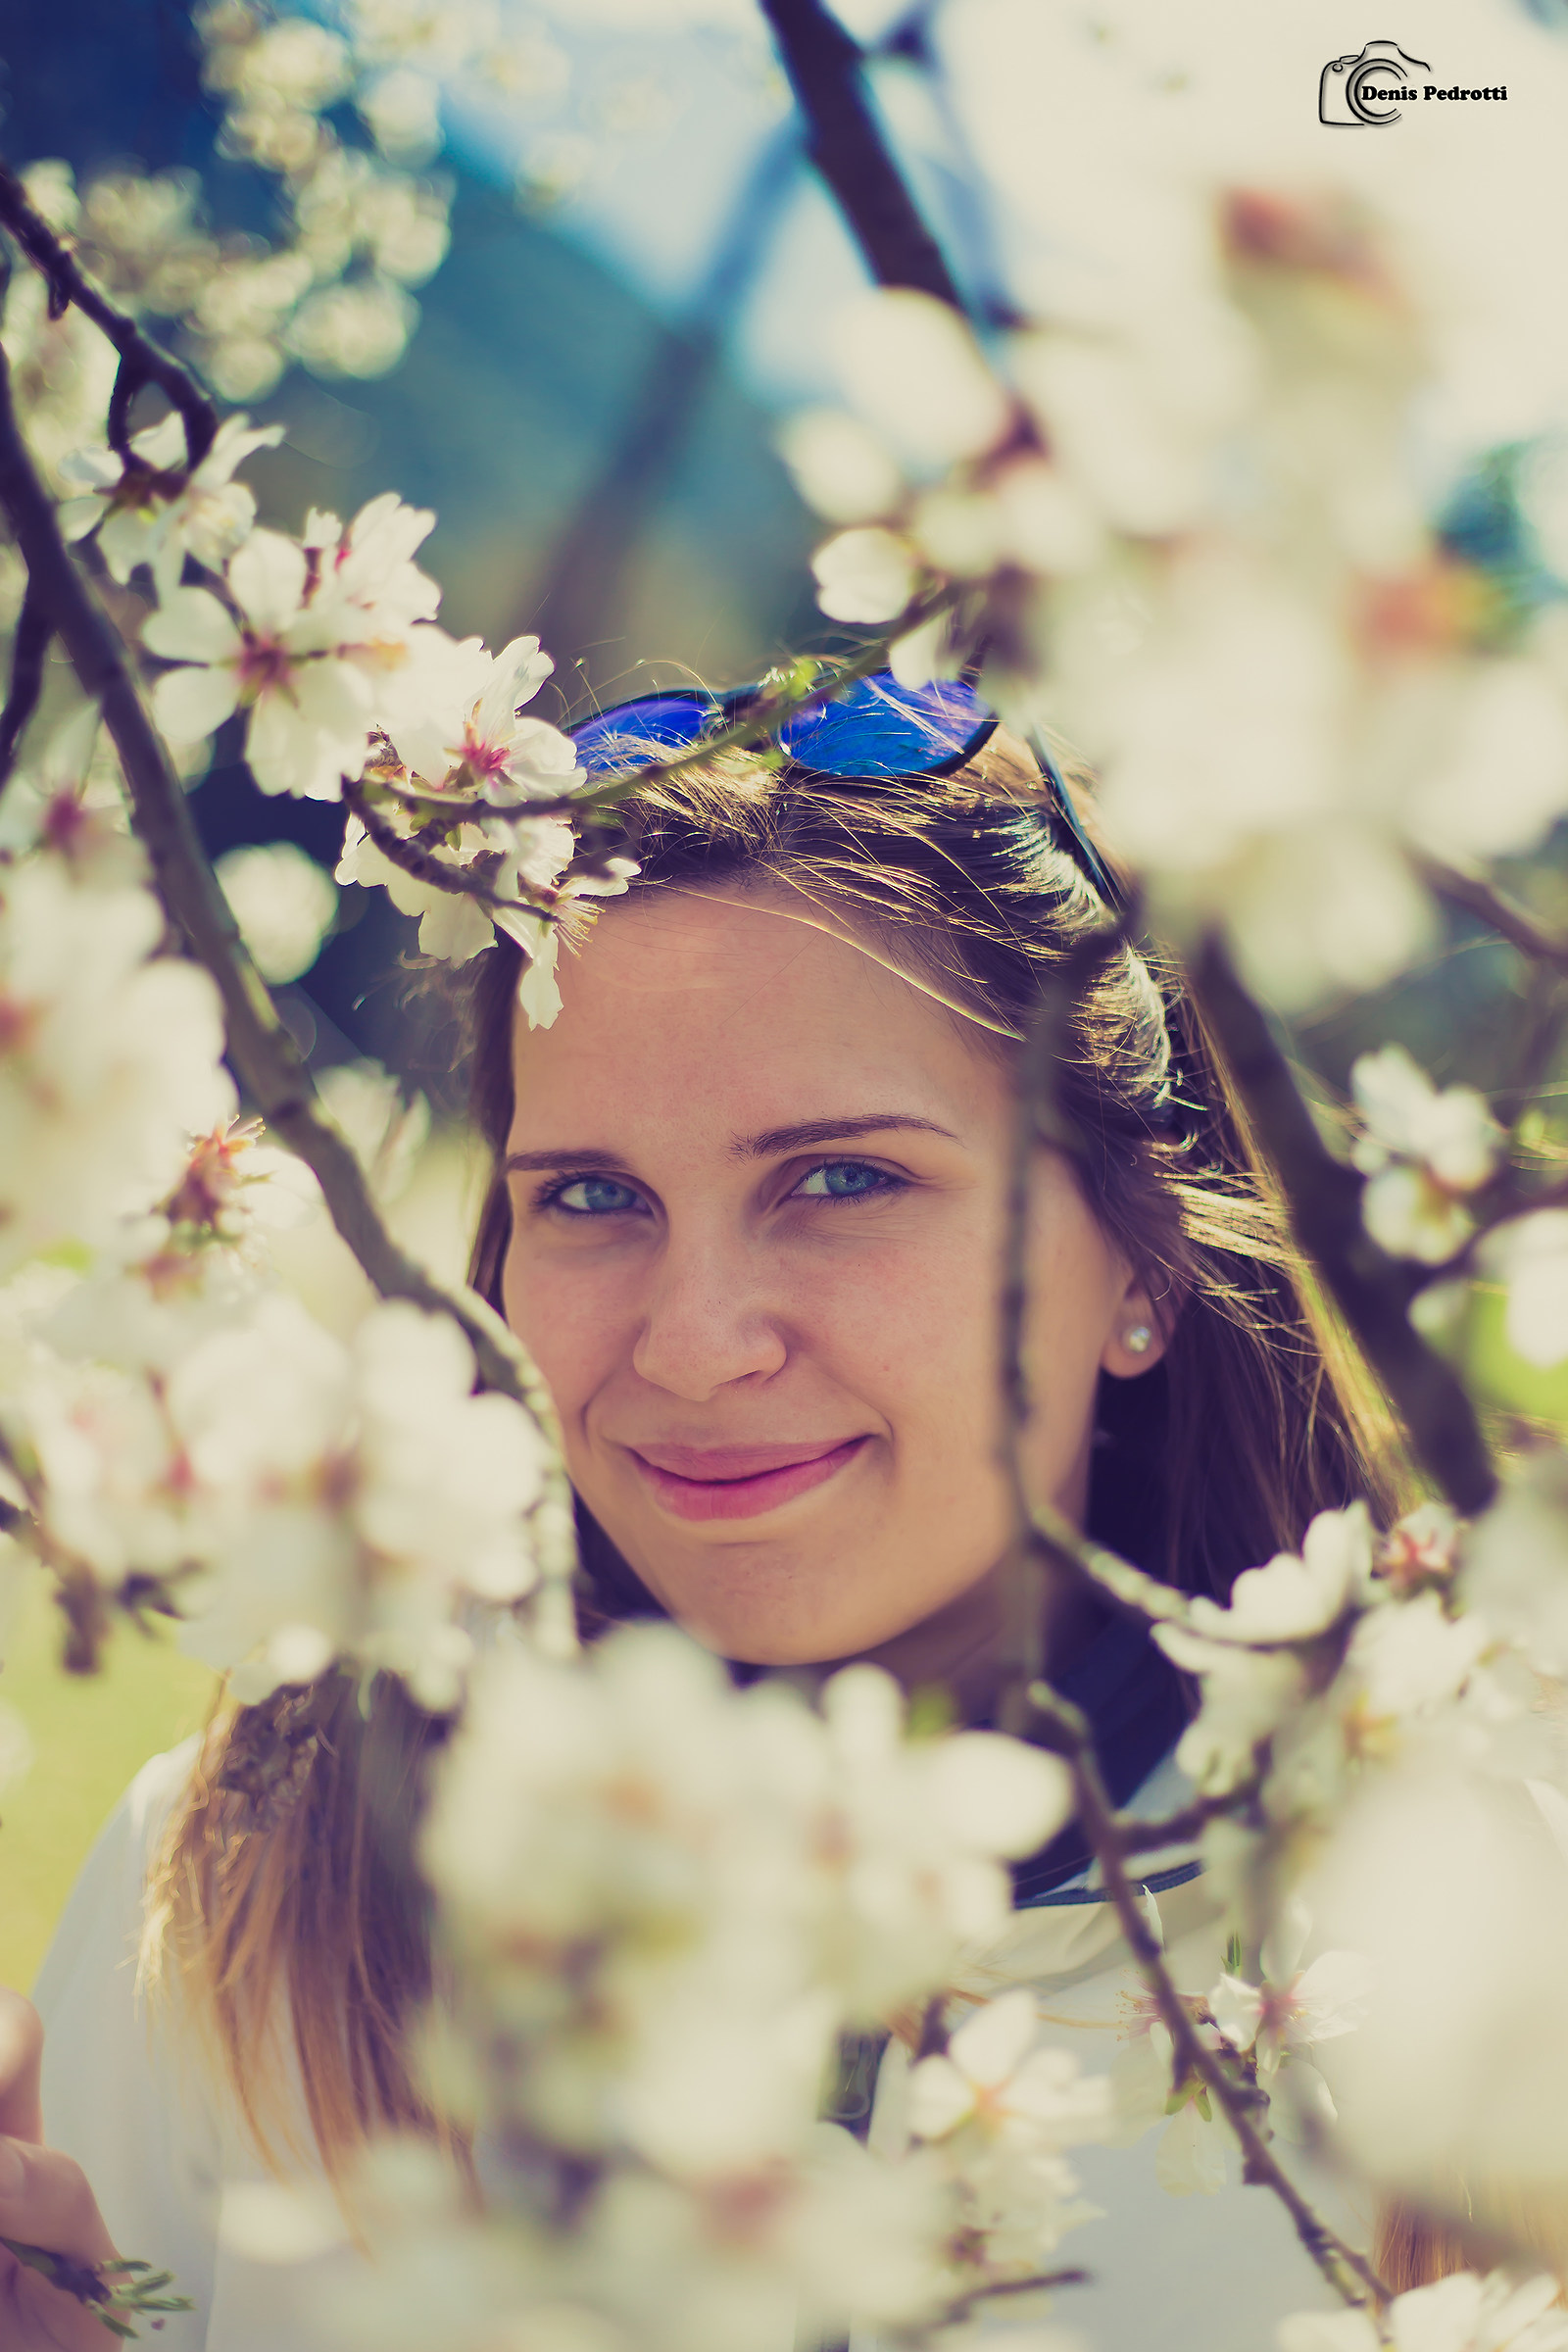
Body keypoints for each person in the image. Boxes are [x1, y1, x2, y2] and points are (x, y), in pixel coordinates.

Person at [2, 674, 1399, 2350]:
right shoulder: (238, 1889)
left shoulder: (1465, 1952)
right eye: (592, 1199)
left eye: (842, 1179)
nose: (694, 1342)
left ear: (1143, 1264)